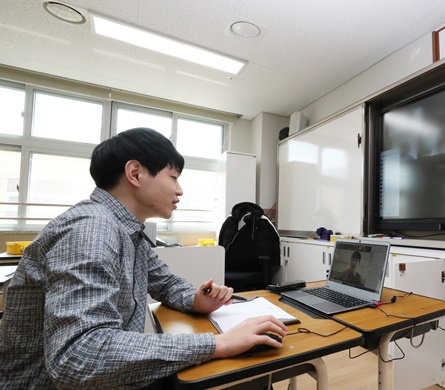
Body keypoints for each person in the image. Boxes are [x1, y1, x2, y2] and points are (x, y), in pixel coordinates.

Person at [0, 128, 287, 389]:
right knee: (246, 378)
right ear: (135, 173)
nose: (180, 190)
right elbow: (78, 355)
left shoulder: (128, 232)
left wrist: (195, 299)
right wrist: (216, 343)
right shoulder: (92, 229)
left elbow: (165, 282)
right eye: (173, 177)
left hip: (107, 378)